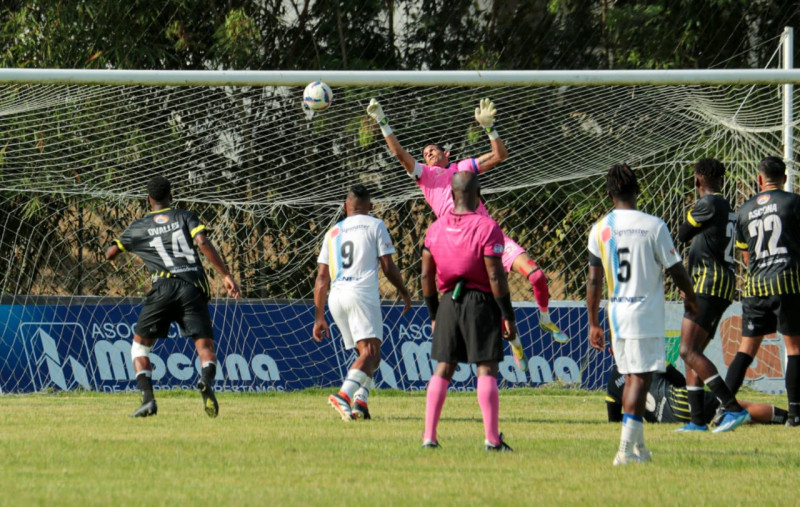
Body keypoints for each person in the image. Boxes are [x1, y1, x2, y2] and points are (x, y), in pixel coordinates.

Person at [366, 97, 567, 372]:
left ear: (447, 154)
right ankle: (515, 343)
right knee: (493, 305)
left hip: (490, 235)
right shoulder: (425, 176)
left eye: (433, 150)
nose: (428, 155)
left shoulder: (462, 169)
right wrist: (383, 122)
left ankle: (544, 317)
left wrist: (490, 128)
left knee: (537, 275)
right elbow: (401, 155)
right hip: (463, 247)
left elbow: (499, 156)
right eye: (424, 153)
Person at [587, 164, 702, 466]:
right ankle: (625, 450)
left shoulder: (600, 227)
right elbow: (676, 269)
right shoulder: (653, 226)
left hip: (617, 314)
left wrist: (593, 322)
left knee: (633, 377)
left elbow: (594, 280)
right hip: (644, 313)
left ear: (609, 193)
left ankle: (639, 449)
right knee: (640, 379)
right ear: (638, 190)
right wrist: (691, 299)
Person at [105, 175, 241, 418]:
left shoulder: (139, 227)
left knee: (139, 347)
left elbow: (111, 253)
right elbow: (202, 241)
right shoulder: (185, 216)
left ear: (148, 199)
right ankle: (206, 381)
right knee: (205, 347)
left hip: (163, 289)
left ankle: (148, 399)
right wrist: (226, 274)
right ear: (172, 196)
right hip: (192, 288)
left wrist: (128, 245)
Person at [420, 171, 517, 451]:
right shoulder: (487, 227)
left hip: (449, 301)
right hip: (480, 302)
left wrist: (435, 315)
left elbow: (426, 277)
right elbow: (496, 276)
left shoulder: (434, 229)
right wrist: (507, 316)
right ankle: (491, 439)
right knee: (486, 367)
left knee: (443, 368)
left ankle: (429, 437)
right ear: (478, 196)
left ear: (451, 195)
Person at [313, 184, 412, 422]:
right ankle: (343, 396)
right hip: (360, 294)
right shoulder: (375, 224)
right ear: (370, 206)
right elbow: (387, 266)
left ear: (345, 206)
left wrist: (319, 315)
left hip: (337, 297)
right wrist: (403, 290)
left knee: (371, 354)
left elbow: (321, 277)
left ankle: (361, 402)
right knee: (369, 351)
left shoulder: (333, 232)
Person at [675, 158, 750, 432]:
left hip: (709, 282)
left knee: (688, 350)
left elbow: (683, 233)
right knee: (692, 352)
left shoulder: (709, 204)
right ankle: (696, 421)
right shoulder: (727, 206)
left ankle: (732, 408)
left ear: (698, 180)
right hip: (717, 284)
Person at [731, 156, 800, 427]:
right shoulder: (793, 203)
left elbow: (746, 256)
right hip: (788, 282)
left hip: (756, 285)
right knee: (794, 348)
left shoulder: (744, 210)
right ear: (784, 178)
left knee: (746, 348)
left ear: (760, 180)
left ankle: (725, 406)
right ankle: (795, 414)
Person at [606, 363, 789, 426]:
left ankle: (776, 420)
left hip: (665, 421)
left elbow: (614, 420)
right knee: (737, 408)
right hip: (680, 401)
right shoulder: (647, 355)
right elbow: (678, 379)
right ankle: (788, 417)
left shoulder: (612, 385)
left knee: (733, 419)